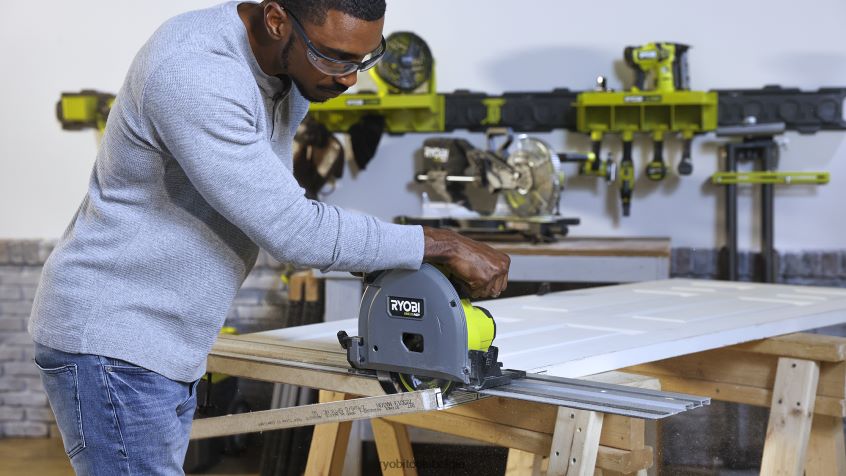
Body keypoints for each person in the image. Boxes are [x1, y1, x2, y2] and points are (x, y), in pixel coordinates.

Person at [28, 1, 510, 474]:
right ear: (277, 20)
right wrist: (441, 243)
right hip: (114, 341)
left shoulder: (286, 74)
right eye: (334, 58)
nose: (349, 79)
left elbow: (279, 207)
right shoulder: (194, 72)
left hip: (160, 342)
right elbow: (293, 229)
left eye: (363, 59)